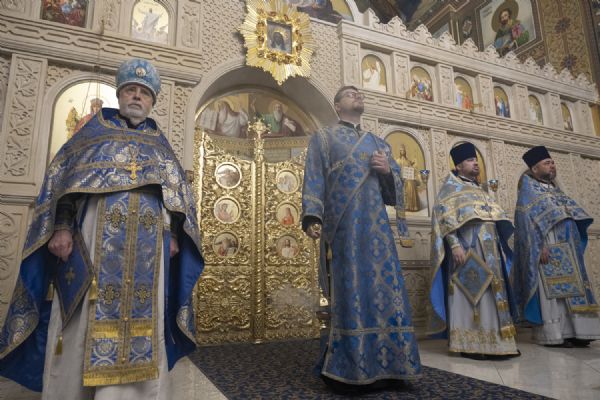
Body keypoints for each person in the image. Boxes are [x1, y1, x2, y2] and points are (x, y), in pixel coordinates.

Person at [0, 58, 204, 398]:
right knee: (84, 315)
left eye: (144, 93)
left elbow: (173, 197)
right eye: (131, 90)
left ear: (152, 101)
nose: (137, 97)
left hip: (148, 250)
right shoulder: (92, 135)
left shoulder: (160, 145)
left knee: (146, 318)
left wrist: (171, 234)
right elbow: (64, 186)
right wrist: (61, 228)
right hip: (94, 242)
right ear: (119, 94)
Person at [302, 85, 421, 392]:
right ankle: (351, 367)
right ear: (337, 105)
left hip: (378, 232)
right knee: (350, 291)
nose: (358, 95)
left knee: (386, 291)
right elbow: (314, 178)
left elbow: (394, 195)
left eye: (359, 93)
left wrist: (388, 171)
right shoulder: (324, 138)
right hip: (345, 230)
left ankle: (393, 366)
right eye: (350, 93)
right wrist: (313, 216)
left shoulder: (379, 143)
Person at [428, 142, 519, 360]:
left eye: (476, 159)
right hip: (468, 249)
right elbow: (444, 218)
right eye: (470, 160)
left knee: (492, 293)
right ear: (458, 166)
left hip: (490, 249)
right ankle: (470, 344)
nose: (475, 163)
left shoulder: (480, 189)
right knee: (471, 294)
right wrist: (454, 245)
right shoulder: (450, 188)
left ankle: (498, 344)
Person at [512, 146, 600, 348]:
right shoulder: (528, 192)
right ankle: (555, 334)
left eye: (552, 162)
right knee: (553, 291)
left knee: (574, 288)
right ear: (534, 169)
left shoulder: (556, 190)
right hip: (548, 247)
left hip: (569, 247)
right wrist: (539, 246)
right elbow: (526, 224)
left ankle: (578, 332)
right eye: (547, 163)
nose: (552, 165)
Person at [394, 144, 419, 212]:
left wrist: (412, 164)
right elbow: (396, 170)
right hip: (400, 178)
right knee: (407, 183)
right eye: (401, 150)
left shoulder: (407, 160)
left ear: (405, 151)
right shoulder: (398, 160)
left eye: (404, 150)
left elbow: (410, 168)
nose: (402, 152)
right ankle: (403, 205)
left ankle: (411, 205)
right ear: (400, 152)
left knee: (412, 183)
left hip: (407, 177)